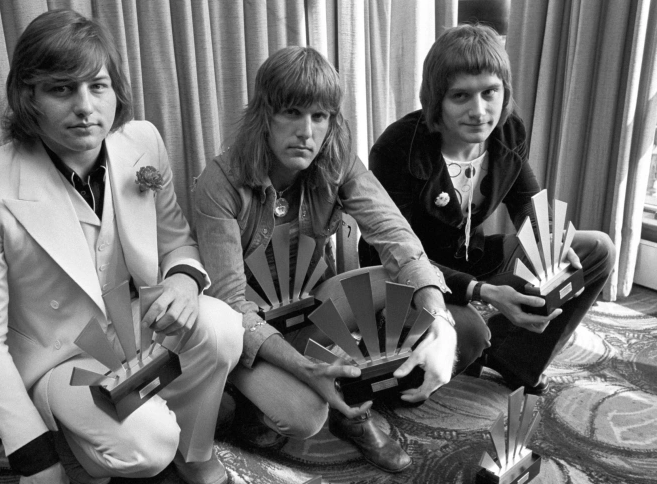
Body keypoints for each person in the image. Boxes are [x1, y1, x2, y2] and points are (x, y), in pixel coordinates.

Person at [0, 10, 242, 484]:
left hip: (138, 329)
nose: (85, 106)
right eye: (62, 89)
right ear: (29, 97)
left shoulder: (142, 141)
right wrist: (35, 459)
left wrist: (184, 282)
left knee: (223, 326)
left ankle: (194, 451)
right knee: (149, 447)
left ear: (115, 91)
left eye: (97, 86)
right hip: (62, 358)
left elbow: (176, 242)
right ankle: (87, 448)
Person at [192, 46, 489, 473]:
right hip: (248, 330)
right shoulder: (220, 183)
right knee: (304, 417)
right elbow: (230, 304)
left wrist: (440, 319)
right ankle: (252, 399)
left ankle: (352, 404)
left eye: (320, 116)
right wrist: (305, 368)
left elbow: (395, 235)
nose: (306, 132)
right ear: (263, 116)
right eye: (291, 112)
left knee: (456, 323)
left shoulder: (337, 161)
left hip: (312, 308)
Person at [360, 24, 616, 395]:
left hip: (475, 257)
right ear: (436, 100)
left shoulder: (508, 131)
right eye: (460, 96)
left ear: (504, 91)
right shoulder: (397, 148)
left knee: (595, 250)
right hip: (409, 277)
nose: (479, 111)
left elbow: (528, 205)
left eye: (489, 92)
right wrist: (482, 292)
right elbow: (389, 253)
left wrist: (551, 245)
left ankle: (515, 358)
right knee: (466, 337)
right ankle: (476, 340)